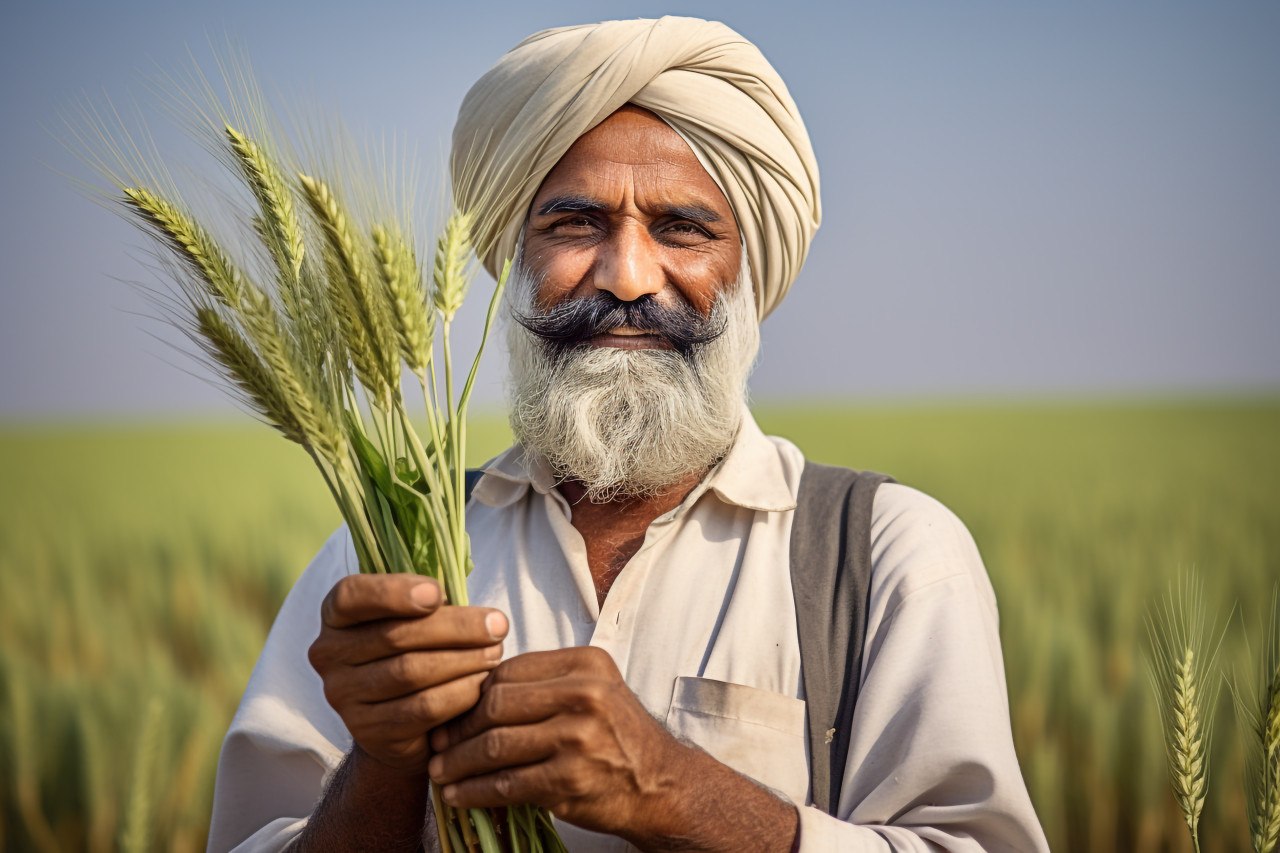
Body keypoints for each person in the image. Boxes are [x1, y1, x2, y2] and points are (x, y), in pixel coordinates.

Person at [208, 16, 1049, 853]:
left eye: (683, 228)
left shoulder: (889, 556)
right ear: (516, 255)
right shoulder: (381, 557)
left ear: (746, 273)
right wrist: (386, 758)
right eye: (575, 224)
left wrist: (677, 792)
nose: (629, 276)